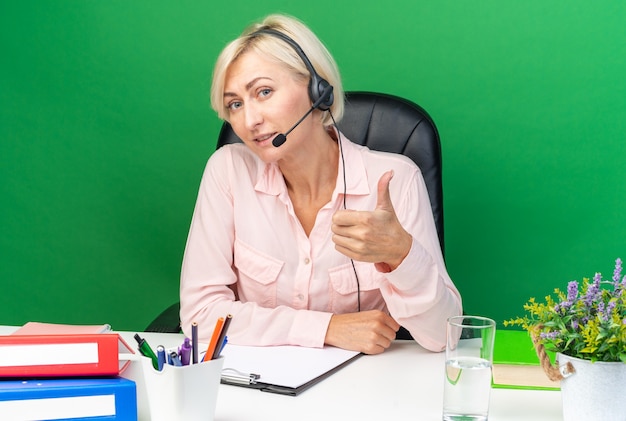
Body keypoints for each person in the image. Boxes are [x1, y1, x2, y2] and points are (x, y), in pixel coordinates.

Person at [179, 13, 462, 354]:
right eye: (235, 104)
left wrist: (401, 254)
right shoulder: (227, 171)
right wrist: (326, 328)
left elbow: (442, 336)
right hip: (259, 385)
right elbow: (199, 315)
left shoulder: (395, 180)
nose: (249, 120)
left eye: (264, 92)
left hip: (363, 391)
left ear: (319, 90)